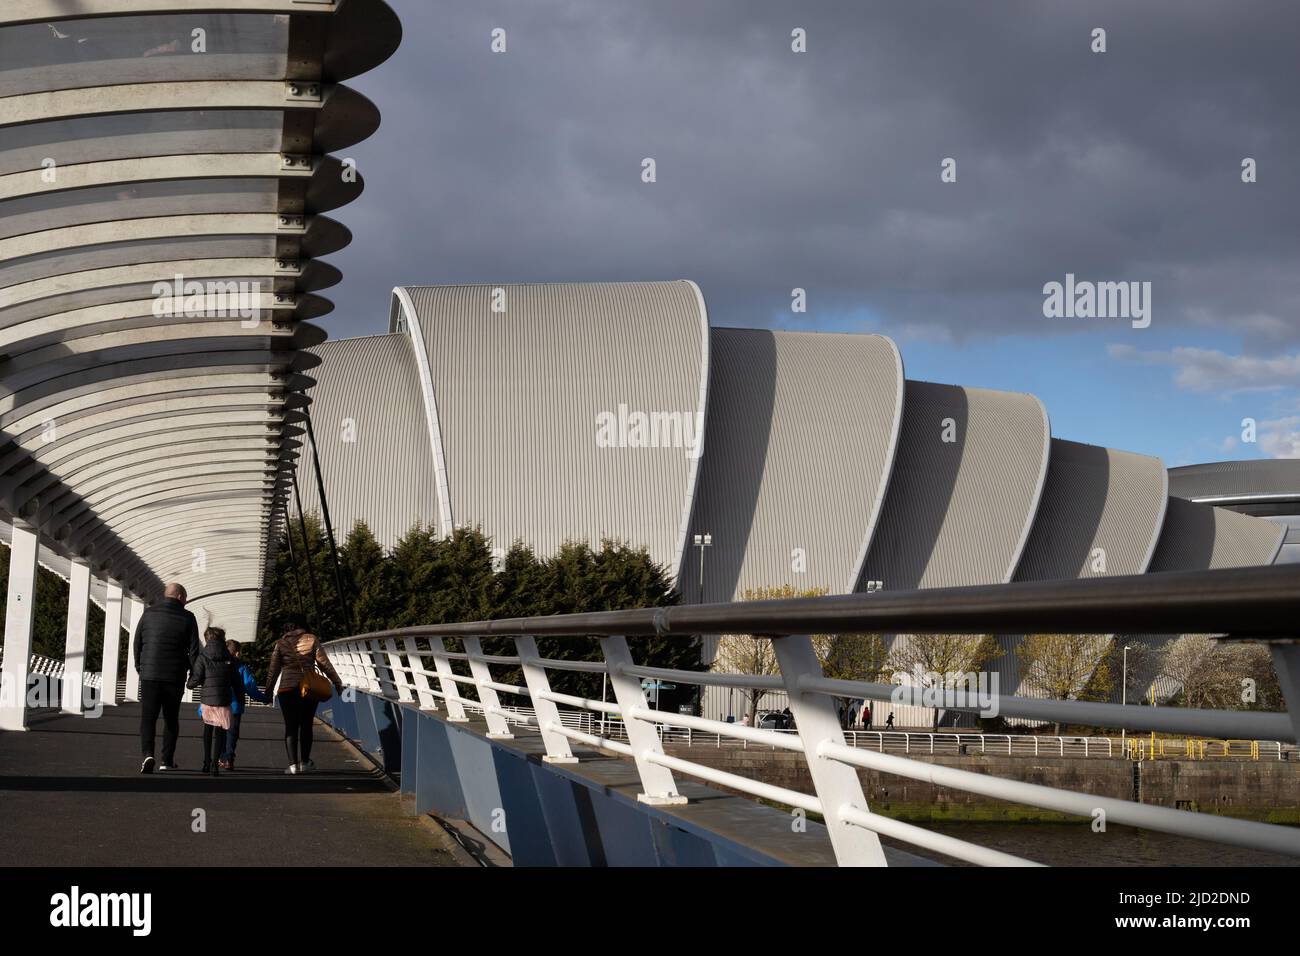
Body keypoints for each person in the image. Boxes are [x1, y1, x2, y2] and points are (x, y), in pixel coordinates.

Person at [135, 582, 200, 773]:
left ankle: (148, 754)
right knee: (171, 718)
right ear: (180, 596)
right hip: (174, 675)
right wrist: (194, 675)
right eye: (185, 599)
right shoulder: (188, 617)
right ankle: (166, 759)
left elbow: (137, 642)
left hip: (150, 675)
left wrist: (140, 667)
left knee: (148, 718)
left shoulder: (148, 613)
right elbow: (194, 651)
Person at [264, 618, 343, 774]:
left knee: (290, 726)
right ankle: (305, 763)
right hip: (308, 688)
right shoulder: (311, 639)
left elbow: (273, 671)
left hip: (287, 689)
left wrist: (268, 690)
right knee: (306, 725)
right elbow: (324, 664)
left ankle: (293, 766)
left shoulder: (280, 643)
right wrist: (337, 682)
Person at [187, 627, 237, 776]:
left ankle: (206, 763)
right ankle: (215, 764)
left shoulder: (202, 657)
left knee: (207, 731)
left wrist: (189, 684)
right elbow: (235, 680)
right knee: (220, 732)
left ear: (207, 639)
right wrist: (239, 697)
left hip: (208, 699)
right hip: (223, 699)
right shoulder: (229, 657)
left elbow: (196, 678)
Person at [219, 639, 268, 770]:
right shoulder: (241, 667)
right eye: (238, 651)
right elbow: (250, 687)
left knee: (221, 733)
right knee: (232, 733)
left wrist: (202, 708)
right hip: (235, 706)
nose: (239, 654)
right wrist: (264, 699)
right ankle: (229, 758)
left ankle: (221, 758)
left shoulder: (217, 664)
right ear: (235, 652)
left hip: (219, 704)